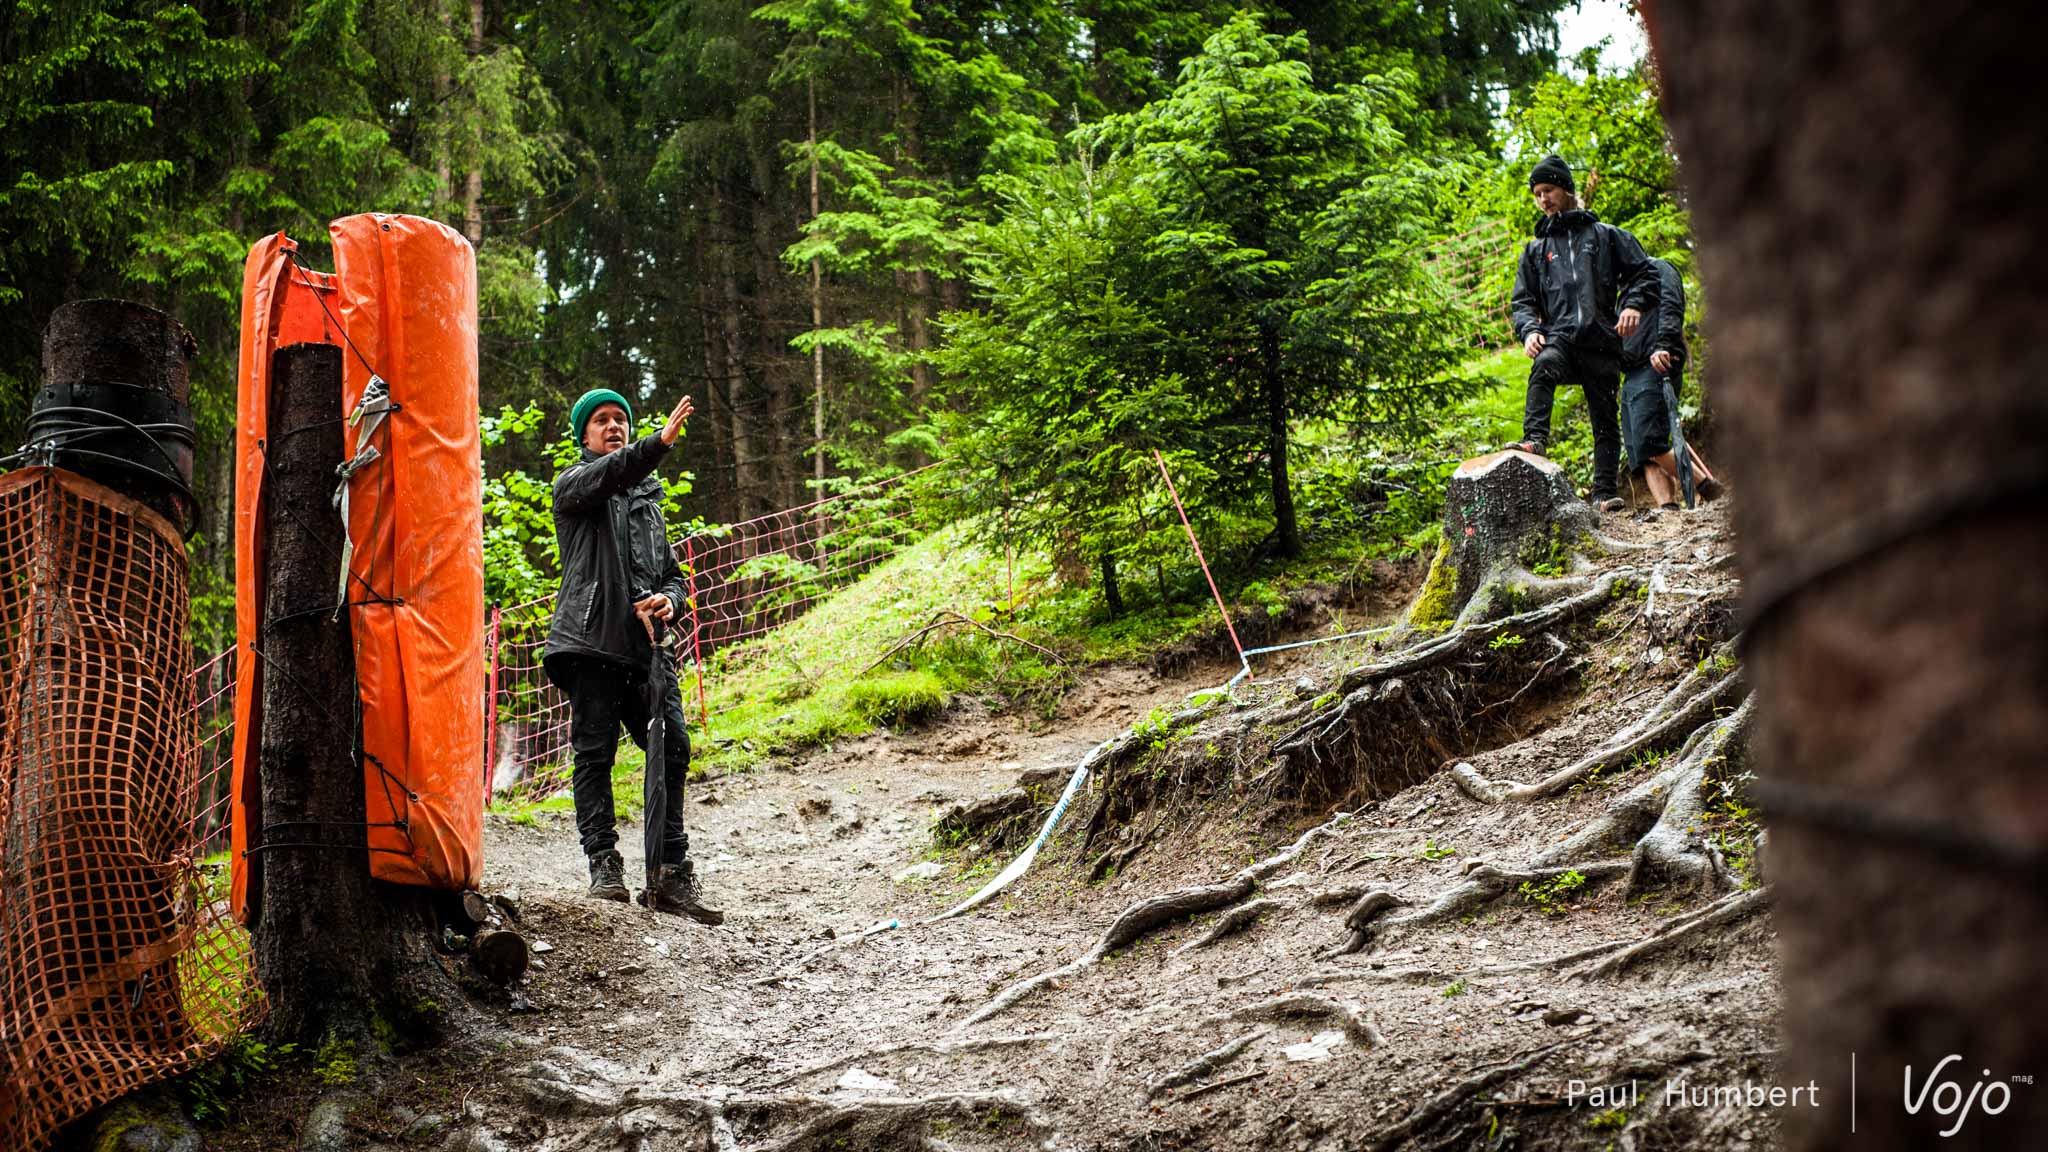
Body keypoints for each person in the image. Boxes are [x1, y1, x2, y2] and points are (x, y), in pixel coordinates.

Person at [541, 388, 723, 924]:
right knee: (594, 756)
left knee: (673, 748)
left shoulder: (648, 502)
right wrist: (657, 443)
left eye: (621, 419)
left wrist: (672, 599)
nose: (613, 426)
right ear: (584, 435)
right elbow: (615, 473)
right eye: (602, 420)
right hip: (591, 642)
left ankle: (670, 873)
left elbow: (669, 572)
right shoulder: (575, 485)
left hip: (648, 651)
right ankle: (605, 866)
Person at [1507, 155, 1660, 513]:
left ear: (1567, 188)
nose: (1543, 199)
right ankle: (1534, 440)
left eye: (1548, 190)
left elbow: (1645, 274)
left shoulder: (1605, 236)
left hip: (1602, 341)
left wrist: (1632, 305)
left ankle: (1604, 494)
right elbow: (1523, 301)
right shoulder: (1535, 250)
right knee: (1543, 366)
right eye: (1536, 194)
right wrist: (1529, 330)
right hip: (1559, 339)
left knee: (1605, 419)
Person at [1620, 257, 1725, 511]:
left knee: (1650, 442)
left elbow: (1671, 304)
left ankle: (1707, 488)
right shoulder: (1624, 288)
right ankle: (1668, 509)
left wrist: (1664, 345)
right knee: (1641, 453)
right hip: (1631, 370)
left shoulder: (1659, 268)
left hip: (1655, 362)